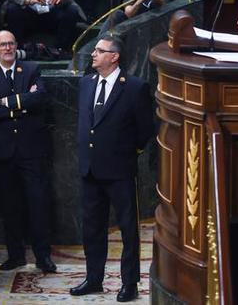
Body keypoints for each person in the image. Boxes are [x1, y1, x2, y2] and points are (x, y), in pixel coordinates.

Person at [70, 35, 154, 302]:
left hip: (119, 170)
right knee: (92, 228)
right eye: (94, 50)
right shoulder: (86, 83)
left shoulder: (134, 87)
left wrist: (128, 151)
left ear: (114, 56)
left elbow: (145, 129)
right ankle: (93, 279)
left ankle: (129, 283)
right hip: (90, 170)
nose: (93, 54)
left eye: (99, 50)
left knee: (128, 229)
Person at [0, 30, 57, 274]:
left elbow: (40, 99)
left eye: (11, 43)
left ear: (16, 46)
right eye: (2, 45)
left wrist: (6, 103)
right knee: (10, 206)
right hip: (4, 153)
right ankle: (15, 256)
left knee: (38, 204)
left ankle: (43, 257)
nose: (7, 48)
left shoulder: (31, 69)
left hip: (32, 150)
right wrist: (22, 104)